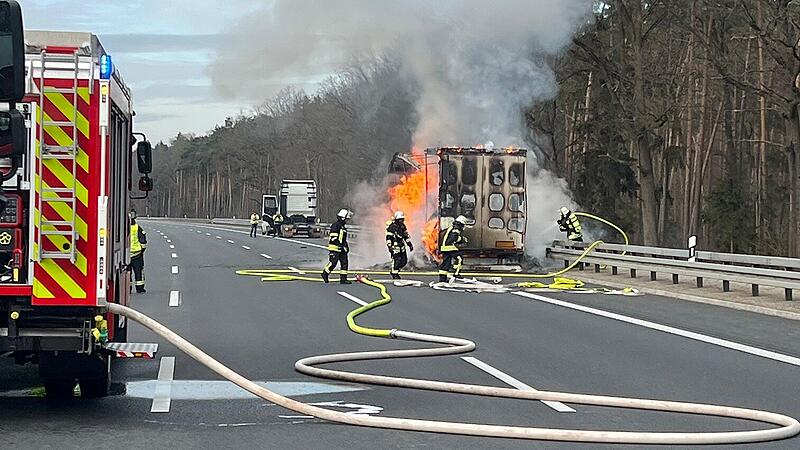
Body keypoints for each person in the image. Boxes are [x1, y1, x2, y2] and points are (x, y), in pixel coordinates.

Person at [322, 208, 352, 284]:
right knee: (333, 263)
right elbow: (333, 237)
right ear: (342, 218)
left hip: (342, 248)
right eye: (346, 219)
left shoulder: (343, 227)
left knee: (344, 263)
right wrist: (339, 245)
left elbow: (343, 239)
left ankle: (343, 279)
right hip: (335, 248)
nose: (346, 220)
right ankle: (325, 273)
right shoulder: (336, 225)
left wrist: (346, 246)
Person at [438, 215, 469, 282]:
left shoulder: (451, 228)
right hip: (450, 248)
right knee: (459, 258)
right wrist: (462, 239)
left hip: (444, 248)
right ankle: (456, 273)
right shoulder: (456, 229)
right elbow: (453, 238)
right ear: (461, 224)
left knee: (446, 263)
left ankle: (442, 278)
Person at [385, 211, 413, 279]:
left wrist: (410, 244)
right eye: (399, 219)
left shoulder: (403, 226)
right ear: (396, 219)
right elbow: (389, 237)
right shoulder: (392, 227)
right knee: (396, 260)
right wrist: (389, 246)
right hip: (395, 246)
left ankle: (396, 270)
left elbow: (405, 236)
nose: (401, 221)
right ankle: (394, 274)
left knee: (404, 261)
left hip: (402, 246)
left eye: (402, 219)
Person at [129, 210, 148, 293]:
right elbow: (143, 241)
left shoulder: (121, 227)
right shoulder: (137, 227)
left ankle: (128, 288)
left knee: (127, 273)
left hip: (126, 255)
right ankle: (140, 289)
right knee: (138, 272)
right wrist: (141, 250)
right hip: (137, 254)